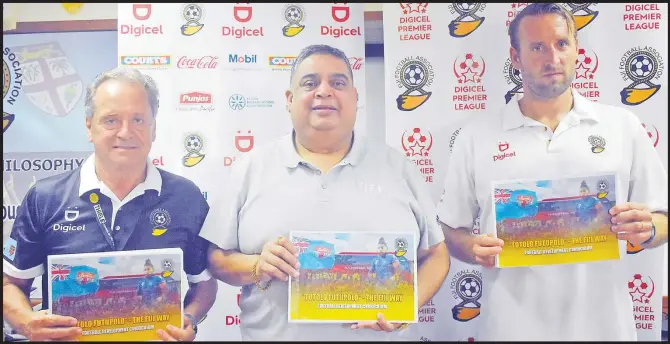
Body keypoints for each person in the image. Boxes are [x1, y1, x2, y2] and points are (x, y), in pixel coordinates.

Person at [438, 3, 668, 341]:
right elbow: (448, 230)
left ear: (577, 51)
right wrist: (469, 247)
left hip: (605, 329)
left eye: (561, 44)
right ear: (515, 58)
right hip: (510, 329)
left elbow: (663, 219)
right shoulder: (477, 136)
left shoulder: (623, 127)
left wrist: (648, 229)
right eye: (537, 47)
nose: (552, 58)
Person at [201, 44, 449, 341]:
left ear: (355, 99)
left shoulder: (399, 168)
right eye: (310, 83)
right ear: (289, 100)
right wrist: (257, 266)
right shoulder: (249, 168)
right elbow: (217, 259)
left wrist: (407, 307)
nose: (324, 91)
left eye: (338, 83)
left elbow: (437, 254)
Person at [2, 67, 218, 342]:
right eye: (111, 120)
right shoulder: (46, 197)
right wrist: (26, 322)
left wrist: (189, 319)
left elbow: (205, 283)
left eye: (138, 119)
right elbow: (10, 283)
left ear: (153, 129)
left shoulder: (186, 197)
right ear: (89, 126)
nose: (126, 132)